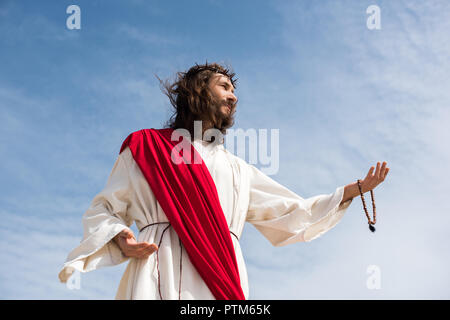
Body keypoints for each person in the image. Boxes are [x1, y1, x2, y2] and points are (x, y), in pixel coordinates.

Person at [58, 61, 389, 299]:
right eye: (225, 88)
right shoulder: (146, 148)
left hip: (223, 273)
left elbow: (290, 211)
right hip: (161, 265)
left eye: (234, 91)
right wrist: (123, 240)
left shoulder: (237, 170)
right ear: (197, 92)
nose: (233, 97)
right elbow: (104, 208)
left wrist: (352, 191)